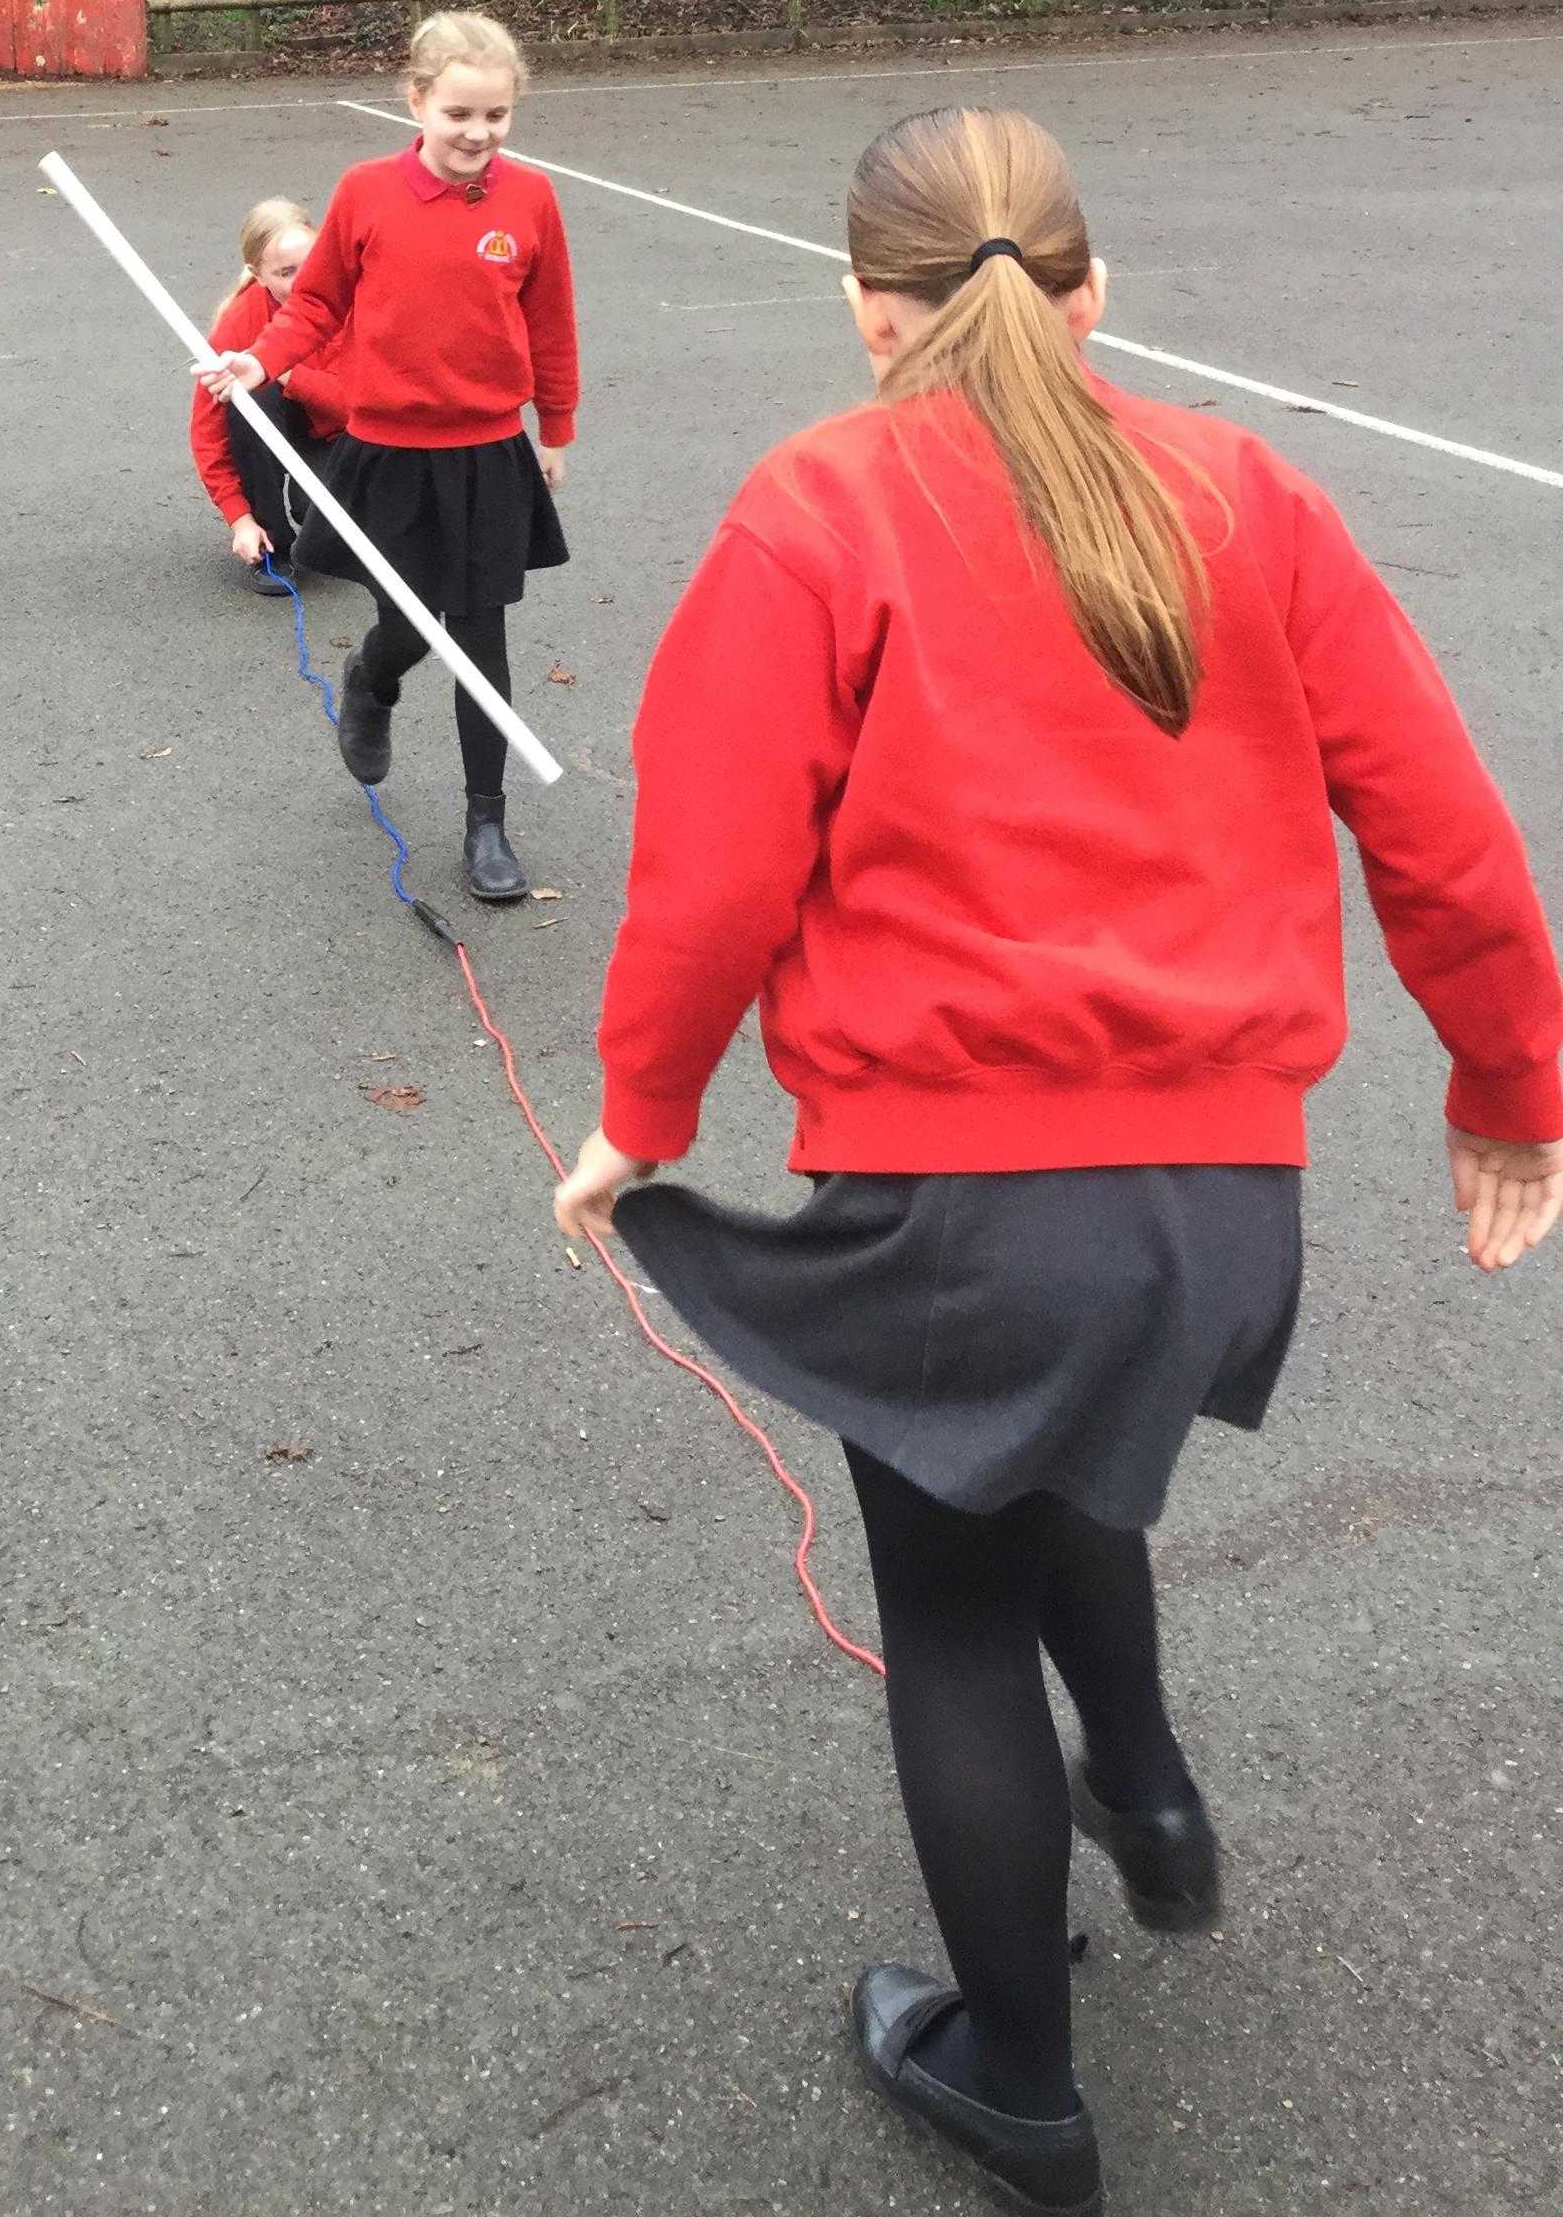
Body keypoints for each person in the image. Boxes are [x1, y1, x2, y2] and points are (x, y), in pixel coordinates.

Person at [553, 106, 1562, 2215]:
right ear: (1096, 295)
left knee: (947, 1617)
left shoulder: (819, 503)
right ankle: (1155, 1799)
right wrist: (1508, 1085)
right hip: (1220, 1204)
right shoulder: (1246, 488)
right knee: (1074, 1457)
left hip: (966, 1200)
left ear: (867, 311)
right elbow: (1440, 817)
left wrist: (642, 1112)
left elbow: (712, 868)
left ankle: (1018, 2083)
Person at [197, 11, 578, 904]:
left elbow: (551, 319)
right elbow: (315, 304)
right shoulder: (366, 192)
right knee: (409, 625)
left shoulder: (530, 200)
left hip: (488, 450)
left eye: (496, 116)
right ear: (417, 102)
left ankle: (487, 823)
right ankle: (371, 680)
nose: (477, 134)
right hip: (390, 453)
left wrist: (555, 425)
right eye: (459, 114)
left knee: (480, 635)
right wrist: (260, 362)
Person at [188, 196, 350, 592]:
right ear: (256, 274)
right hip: (276, 423)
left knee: (327, 532)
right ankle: (271, 542)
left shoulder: (352, 303)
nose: (303, 281)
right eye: (285, 272)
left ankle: (335, 508)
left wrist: (280, 368)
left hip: (339, 432)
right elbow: (208, 434)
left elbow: (357, 407)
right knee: (249, 401)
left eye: (311, 265)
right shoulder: (238, 322)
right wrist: (240, 518)